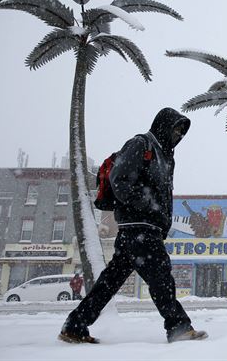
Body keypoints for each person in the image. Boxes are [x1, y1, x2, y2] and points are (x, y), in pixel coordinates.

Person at [59, 107, 207, 344]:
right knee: (161, 279)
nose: (178, 134)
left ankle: (75, 326)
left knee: (109, 283)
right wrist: (149, 207)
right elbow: (120, 179)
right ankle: (178, 326)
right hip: (139, 227)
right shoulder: (141, 144)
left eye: (182, 131)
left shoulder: (166, 156)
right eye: (176, 128)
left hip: (142, 229)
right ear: (163, 125)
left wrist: (161, 221)